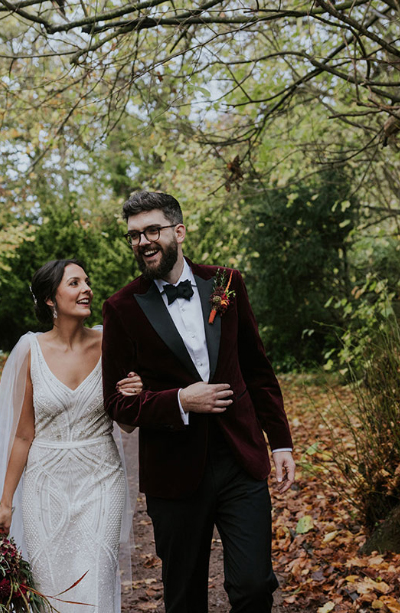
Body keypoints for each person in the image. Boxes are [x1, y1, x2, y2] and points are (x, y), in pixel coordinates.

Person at [101, 191, 296, 613]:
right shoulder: (120, 308)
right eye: (134, 235)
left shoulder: (226, 283)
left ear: (179, 231)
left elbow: (257, 369)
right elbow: (117, 404)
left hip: (239, 457)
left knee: (253, 586)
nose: (143, 241)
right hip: (173, 470)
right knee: (184, 597)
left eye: (152, 230)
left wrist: (280, 442)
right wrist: (180, 401)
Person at [0, 258, 142, 613]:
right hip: (45, 485)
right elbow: (22, 436)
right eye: (74, 283)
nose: (86, 289)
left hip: (101, 480)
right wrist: (5, 504)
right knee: (50, 588)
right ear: (50, 298)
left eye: (86, 282)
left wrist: (135, 394)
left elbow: (127, 425)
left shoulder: (110, 343)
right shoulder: (29, 350)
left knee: (97, 581)